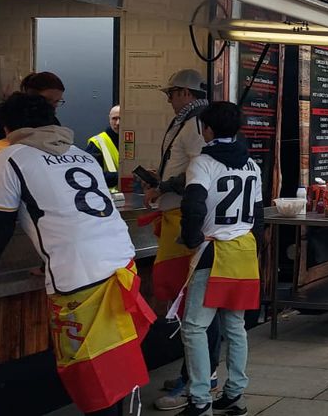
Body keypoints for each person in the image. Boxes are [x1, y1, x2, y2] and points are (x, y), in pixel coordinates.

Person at [0, 93, 155, 416]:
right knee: (115, 366)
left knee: (92, 377)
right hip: (122, 266)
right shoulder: (82, 155)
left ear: (9, 127)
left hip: (81, 280)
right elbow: (64, 214)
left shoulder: (11, 159)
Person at [175, 102, 264, 416]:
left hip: (213, 250)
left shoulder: (202, 163)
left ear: (207, 129)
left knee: (195, 327)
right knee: (235, 325)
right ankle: (235, 393)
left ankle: (200, 399)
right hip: (244, 248)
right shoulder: (252, 165)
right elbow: (257, 215)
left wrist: (191, 239)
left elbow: (194, 205)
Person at [143, 69, 221, 411]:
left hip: (186, 223)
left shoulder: (194, 125)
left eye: (171, 93)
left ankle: (199, 378)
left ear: (186, 94)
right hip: (177, 218)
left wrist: (164, 186)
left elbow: (197, 171)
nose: (169, 100)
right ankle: (197, 372)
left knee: (195, 302)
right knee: (190, 301)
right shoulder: (189, 121)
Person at [0, 71, 66, 144]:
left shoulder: (52, 122)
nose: (53, 106)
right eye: (48, 100)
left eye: (57, 101)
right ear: (30, 94)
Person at [85, 105, 121, 192]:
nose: (118, 123)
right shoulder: (97, 142)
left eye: (121, 118)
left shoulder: (135, 140)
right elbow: (92, 175)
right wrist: (121, 177)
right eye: (114, 119)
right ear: (109, 119)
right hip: (107, 197)